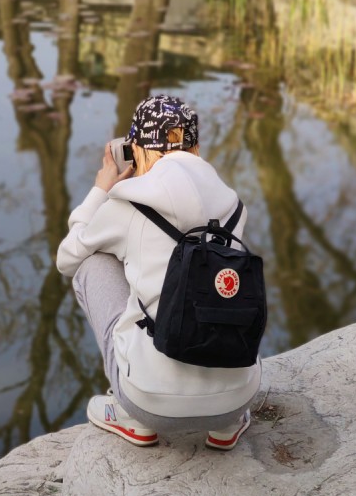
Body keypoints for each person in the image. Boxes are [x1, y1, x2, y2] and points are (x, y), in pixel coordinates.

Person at [56, 94, 260, 449]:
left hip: (151, 403)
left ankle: (131, 418)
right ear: (195, 147)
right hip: (238, 398)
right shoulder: (233, 204)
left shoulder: (130, 203)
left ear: (137, 150)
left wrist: (100, 190)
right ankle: (227, 425)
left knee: (91, 263)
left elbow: (66, 258)